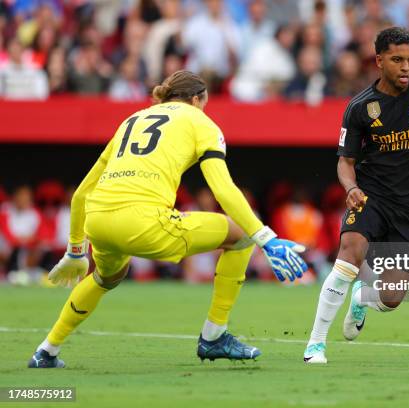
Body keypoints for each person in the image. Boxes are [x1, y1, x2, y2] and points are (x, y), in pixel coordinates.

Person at [28, 70, 308, 368]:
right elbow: (223, 189)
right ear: (197, 99)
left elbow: (82, 193)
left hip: (98, 220)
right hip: (143, 222)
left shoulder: (131, 121)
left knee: (105, 278)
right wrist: (265, 237)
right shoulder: (200, 120)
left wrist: (75, 250)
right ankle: (214, 335)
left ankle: (47, 350)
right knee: (240, 236)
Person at [303, 27, 409, 364]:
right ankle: (315, 345)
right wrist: (351, 189)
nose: (406, 67)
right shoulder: (360, 107)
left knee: (392, 297)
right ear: (379, 61)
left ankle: (362, 298)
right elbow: (345, 162)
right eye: (397, 60)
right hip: (370, 197)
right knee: (348, 258)